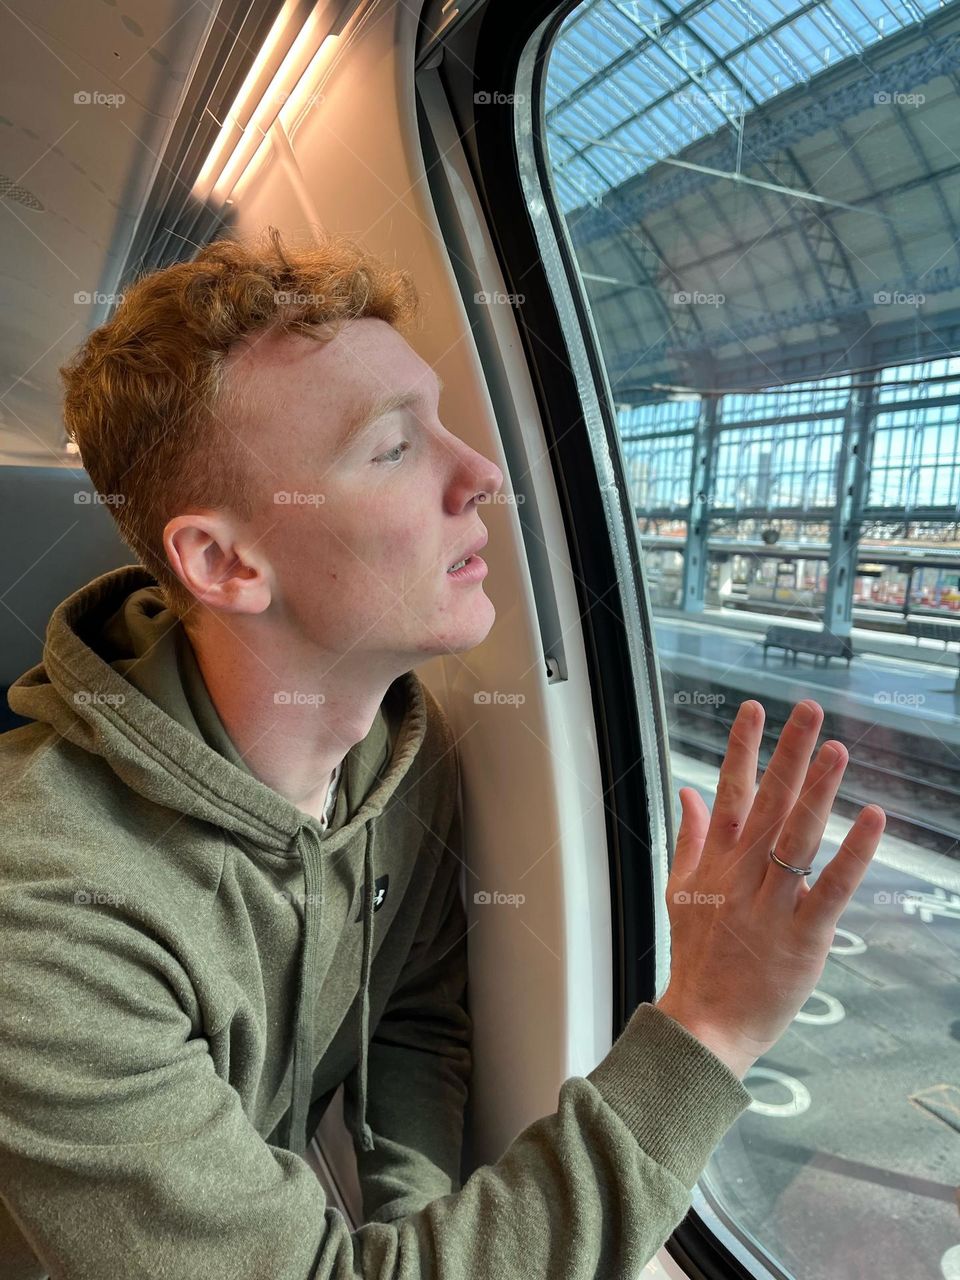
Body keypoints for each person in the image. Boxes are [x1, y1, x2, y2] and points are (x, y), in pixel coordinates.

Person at [0, 227, 886, 1279]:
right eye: (392, 447)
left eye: (442, 424)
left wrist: (408, 1222)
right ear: (226, 560)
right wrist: (707, 1032)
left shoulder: (401, 762)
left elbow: (410, 1018)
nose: (480, 474)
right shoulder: (49, 914)